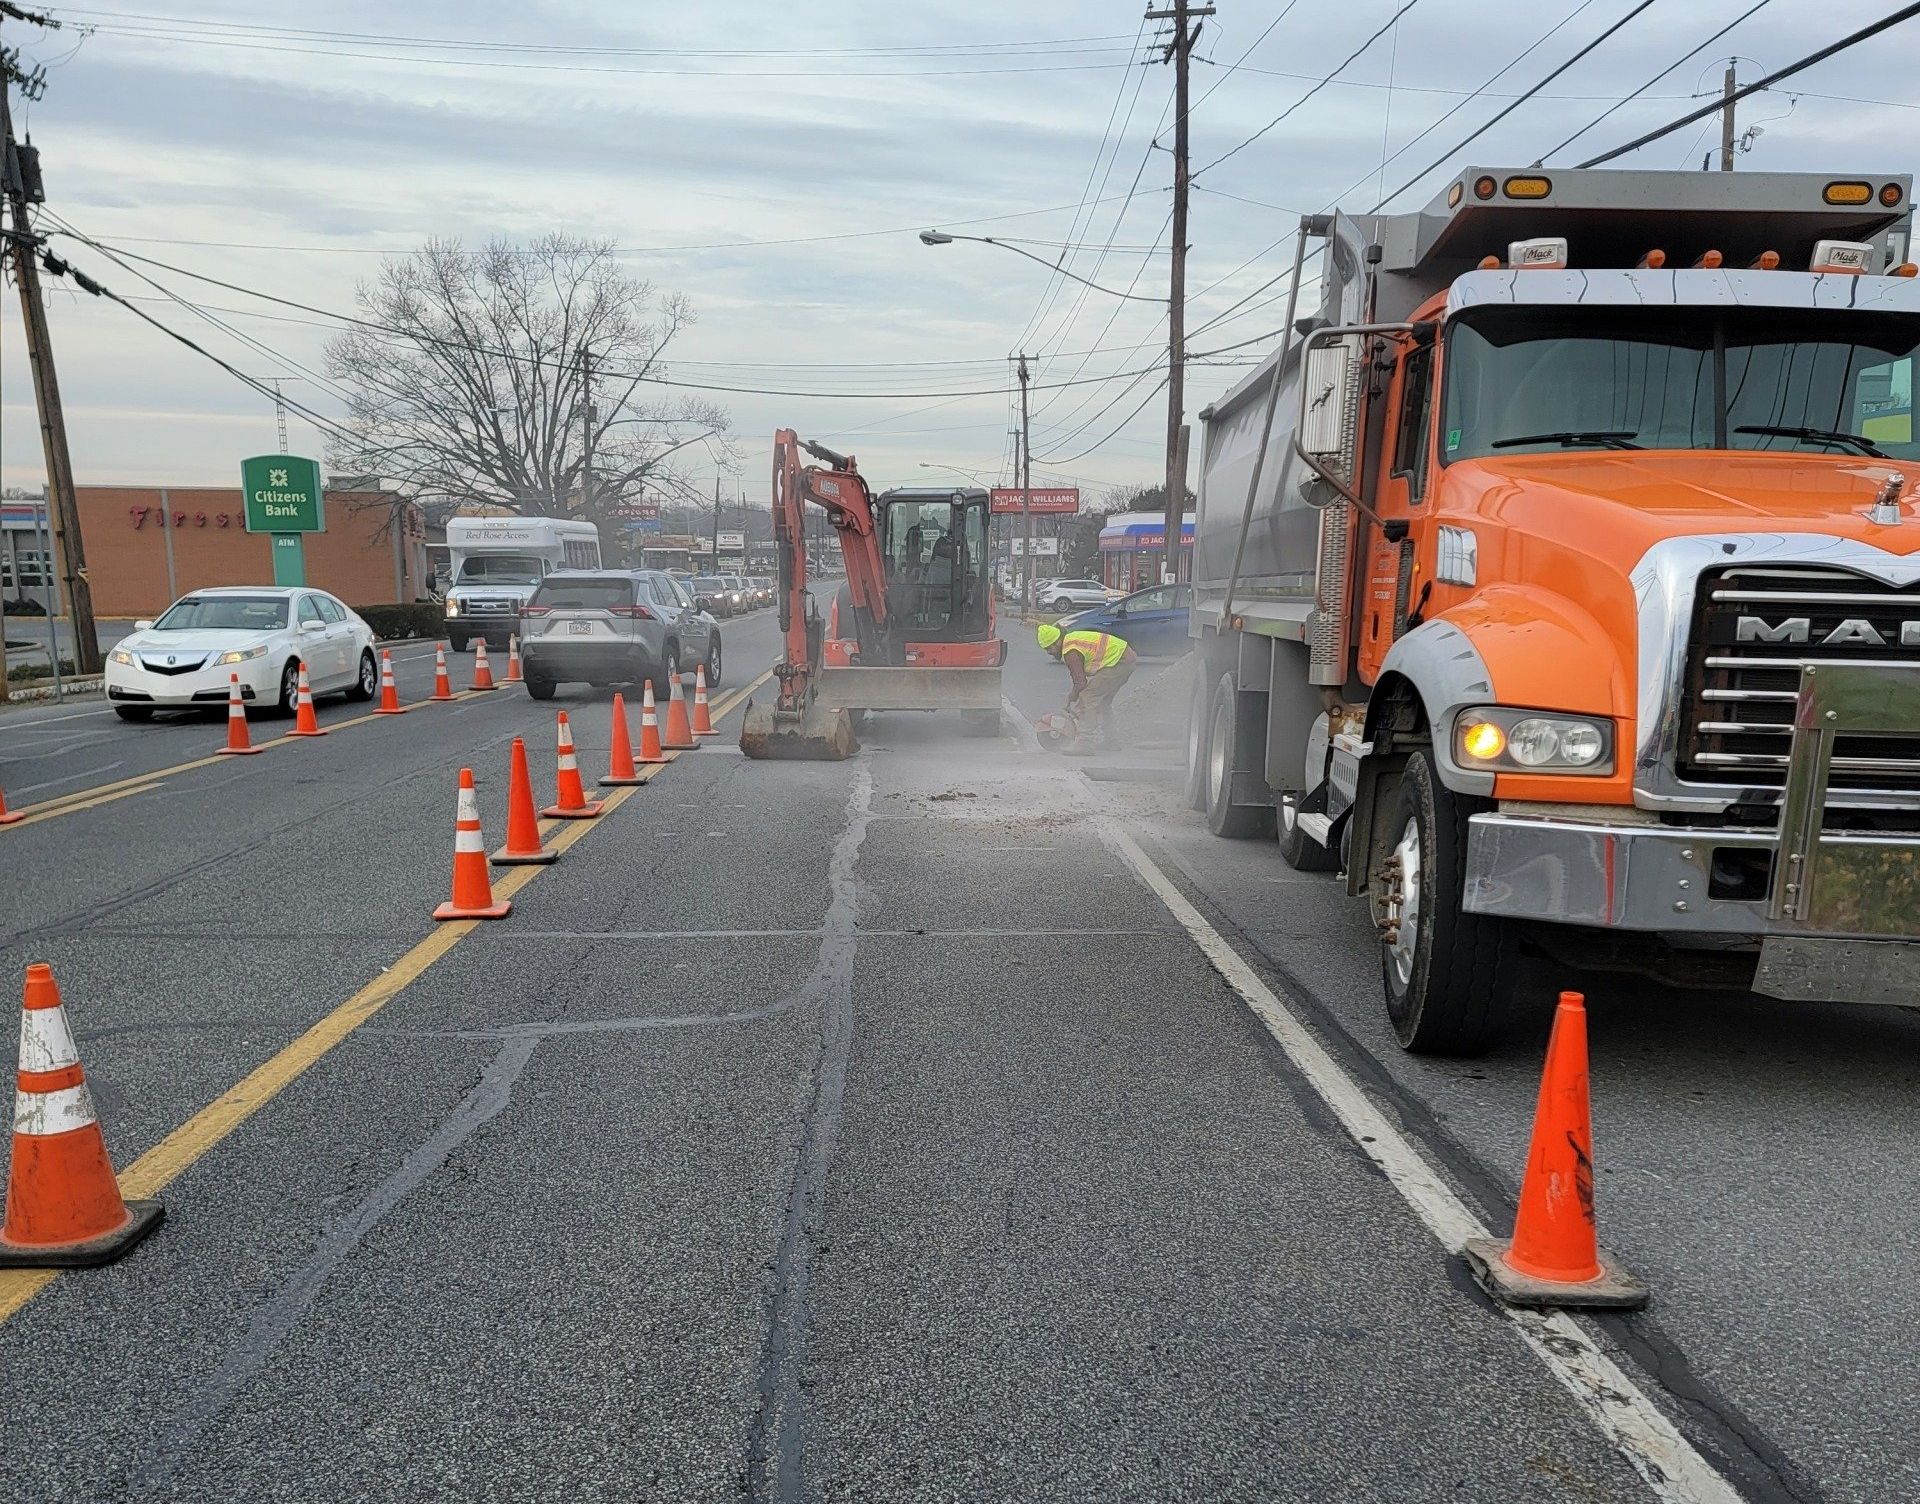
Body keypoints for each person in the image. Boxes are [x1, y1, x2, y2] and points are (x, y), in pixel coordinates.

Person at [1037, 621, 1137, 749]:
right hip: (1123, 659)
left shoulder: (1070, 651)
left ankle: (1084, 743)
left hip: (1119, 661)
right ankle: (1111, 740)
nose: (1049, 652)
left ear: (1057, 642)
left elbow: (1080, 683)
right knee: (1103, 701)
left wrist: (1071, 698)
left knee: (1088, 697)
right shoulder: (1072, 640)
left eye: (1049, 648)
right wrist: (1073, 697)